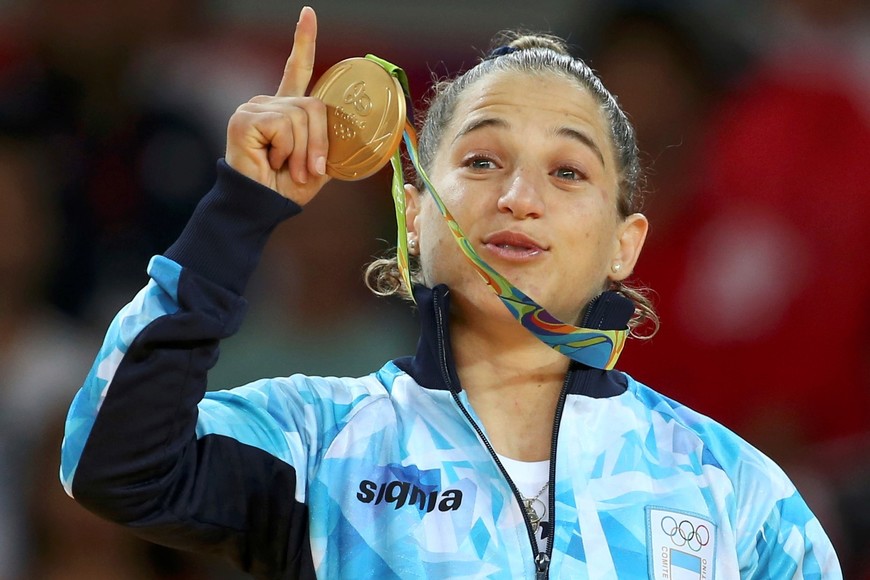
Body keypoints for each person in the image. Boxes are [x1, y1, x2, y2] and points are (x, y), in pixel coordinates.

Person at [60, 6, 841, 579]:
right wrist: (235, 212)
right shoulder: (317, 439)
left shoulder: (737, 494)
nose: (520, 197)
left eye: (568, 171)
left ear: (623, 245)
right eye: (481, 162)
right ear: (414, 216)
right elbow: (109, 463)